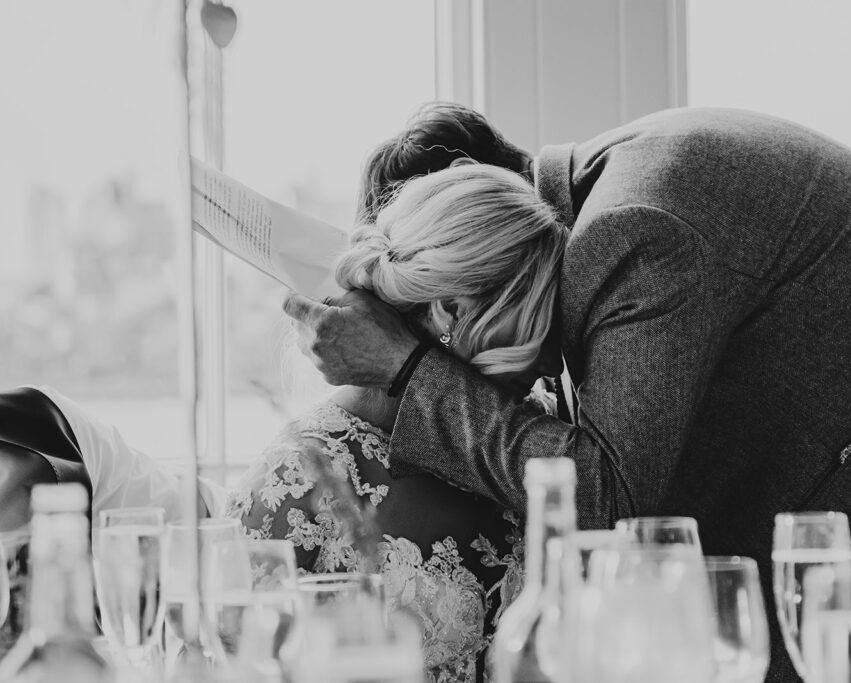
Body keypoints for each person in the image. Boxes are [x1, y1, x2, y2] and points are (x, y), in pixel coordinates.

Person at [284, 103, 851, 683]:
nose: (527, 381)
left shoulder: (632, 227)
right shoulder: (619, 194)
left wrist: (412, 372)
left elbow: (607, 497)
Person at [1, 162, 568, 682]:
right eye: (533, 323)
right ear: (451, 311)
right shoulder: (296, 482)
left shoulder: (530, 439)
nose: (550, 361)